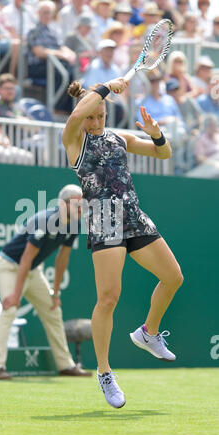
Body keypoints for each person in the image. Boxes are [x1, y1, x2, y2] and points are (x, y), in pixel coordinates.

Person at [62, 77, 183, 409]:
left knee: (174, 277)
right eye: (91, 115)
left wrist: (156, 132)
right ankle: (104, 373)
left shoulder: (120, 137)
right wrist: (104, 86)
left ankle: (149, 332)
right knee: (108, 298)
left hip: (134, 215)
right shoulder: (74, 138)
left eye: (101, 115)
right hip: (104, 219)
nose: (96, 120)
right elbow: (75, 119)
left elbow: (164, 153)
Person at [0, 184, 92, 379]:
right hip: (9, 266)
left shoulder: (75, 224)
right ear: (63, 205)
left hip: (33, 271)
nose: (82, 209)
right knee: (10, 309)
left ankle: (65, 365)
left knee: (54, 310)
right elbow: (26, 258)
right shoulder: (44, 221)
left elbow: (63, 258)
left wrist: (55, 292)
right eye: (77, 205)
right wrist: (16, 295)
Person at [26, 0, 76, 114]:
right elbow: (38, 52)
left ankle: (66, 108)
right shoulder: (33, 30)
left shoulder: (52, 30)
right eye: (44, 12)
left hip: (53, 63)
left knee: (72, 72)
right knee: (61, 72)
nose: (47, 15)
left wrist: (71, 54)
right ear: (38, 13)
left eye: (49, 13)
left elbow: (61, 46)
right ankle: (56, 106)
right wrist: (61, 54)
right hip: (37, 66)